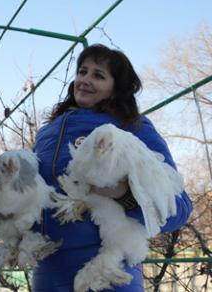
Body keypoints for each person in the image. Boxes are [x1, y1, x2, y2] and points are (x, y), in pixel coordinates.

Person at [32, 44, 193, 291]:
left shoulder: (131, 127)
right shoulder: (47, 134)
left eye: (98, 75)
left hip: (108, 272)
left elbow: (178, 206)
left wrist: (123, 194)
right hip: (49, 273)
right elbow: (37, 201)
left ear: (116, 88)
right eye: (82, 71)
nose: (85, 80)